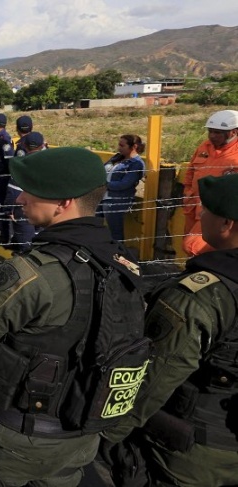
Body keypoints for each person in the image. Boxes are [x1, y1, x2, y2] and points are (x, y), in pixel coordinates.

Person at [0, 147, 147, 486]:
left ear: (63, 201)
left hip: (12, 438)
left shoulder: (32, 273)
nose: (22, 198)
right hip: (79, 437)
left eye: (32, 190)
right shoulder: (124, 265)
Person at [100, 173, 238, 486]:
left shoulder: (203, 296)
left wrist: (108, 435)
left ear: (227, 224)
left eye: (206, 211)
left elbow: (153, 379)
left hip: (195, 454)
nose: (200, 215)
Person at [181, 109, 238, 256]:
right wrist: (187, 194)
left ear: (233, 132)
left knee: (194, 247)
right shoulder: (204, 147)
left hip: (218, 212)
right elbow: (190, 172)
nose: (212, 136)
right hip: (193, 208)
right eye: (210, 131)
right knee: (189, 248)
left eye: (218, 132)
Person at [2, 131, 45, 253]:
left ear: (24, 146)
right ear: (42, 146)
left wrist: (9, 209)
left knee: (25, 240)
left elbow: (14, 190)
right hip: (45, 206)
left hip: (25, 208)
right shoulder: (49, 163)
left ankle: (24, 259)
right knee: (39, 235)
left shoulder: (22, 164)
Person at [98, 135, 146, 242]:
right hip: (101, 197)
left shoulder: (137, 164)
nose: (119, 148)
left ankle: (118, 255)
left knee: (115, 233)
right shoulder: (117, 157)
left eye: (122, 145)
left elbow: (124, 184)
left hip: (116, 201)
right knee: (94, 228)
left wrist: (104, 184)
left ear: (133, 147)